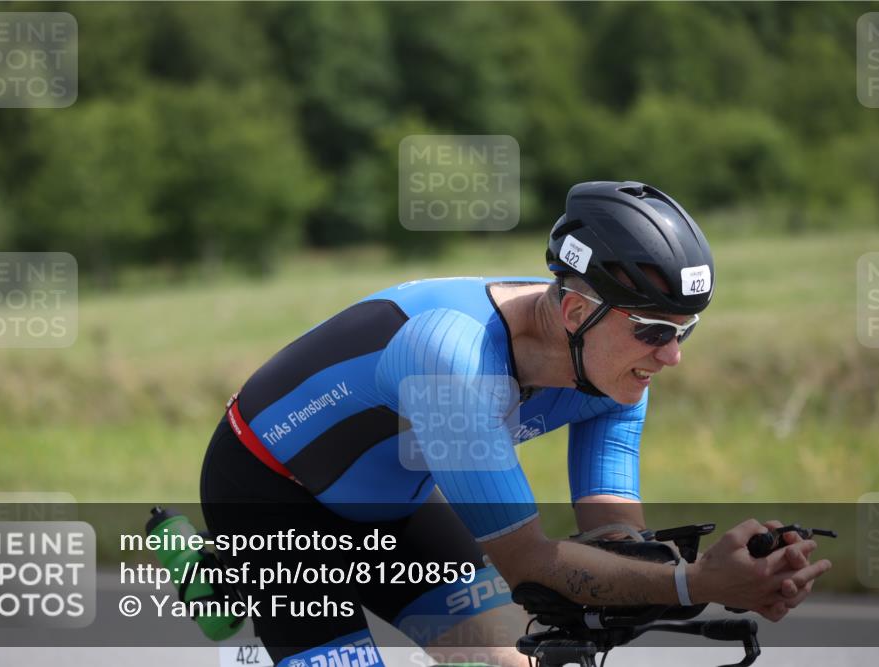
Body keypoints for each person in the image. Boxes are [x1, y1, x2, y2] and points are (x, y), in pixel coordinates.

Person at [200, 181, 832, 667]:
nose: (672, 356)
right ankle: (222, 575)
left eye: (684, 331)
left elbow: (614, 540)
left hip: (395, 498)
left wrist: (739, 572)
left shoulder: (615, 371)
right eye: (654, 331)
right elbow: (528, 563)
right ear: (579, 311)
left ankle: (218, 582)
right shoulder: (451, 361)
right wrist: (694, 582)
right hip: (268, 497)